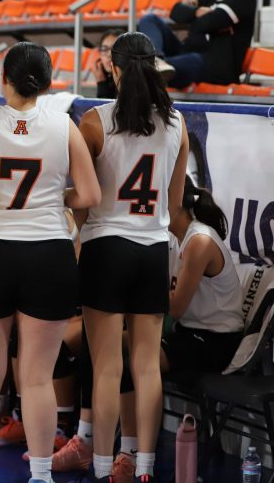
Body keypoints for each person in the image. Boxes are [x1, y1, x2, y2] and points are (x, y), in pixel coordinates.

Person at [0, 42, 100, 483]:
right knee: (37, 379)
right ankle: (42, 475)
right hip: (48, 254)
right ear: (48, 83)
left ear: (3, 80)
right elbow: (90, 195)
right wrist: (55, 198)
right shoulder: (64, 125)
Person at [78, 32, 188, 483]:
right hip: (153, 249)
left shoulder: (94, 121)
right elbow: (176, 204)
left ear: (115, 69)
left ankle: (103, 466)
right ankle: (144, 465)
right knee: (146, 367)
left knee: (107, 367)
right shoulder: (177, 123)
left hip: (106, 246)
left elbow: (81, 198)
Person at [138, 0, 256, 88]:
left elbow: (211, 22)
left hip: (215, 66)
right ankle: (156, 60)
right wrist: (199, 12)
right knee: (149, 19)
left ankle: (150, 68)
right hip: (188, 54)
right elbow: (176, 12)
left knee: (140, 71)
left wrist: (194, 15)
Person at [165, 176, 243, 374]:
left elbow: (175, 308)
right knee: (106, 344)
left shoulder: (199, 240)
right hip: (187, 331)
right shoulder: (172, 237)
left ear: (174, 200)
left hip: (216, 341)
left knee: (136, 361)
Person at [94, 29, 123, 99]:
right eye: (104, 48)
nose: (109, 54)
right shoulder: (106, 77)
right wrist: (101, 82)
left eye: (115, 48)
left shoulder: (133, 81)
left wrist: (101, 83)